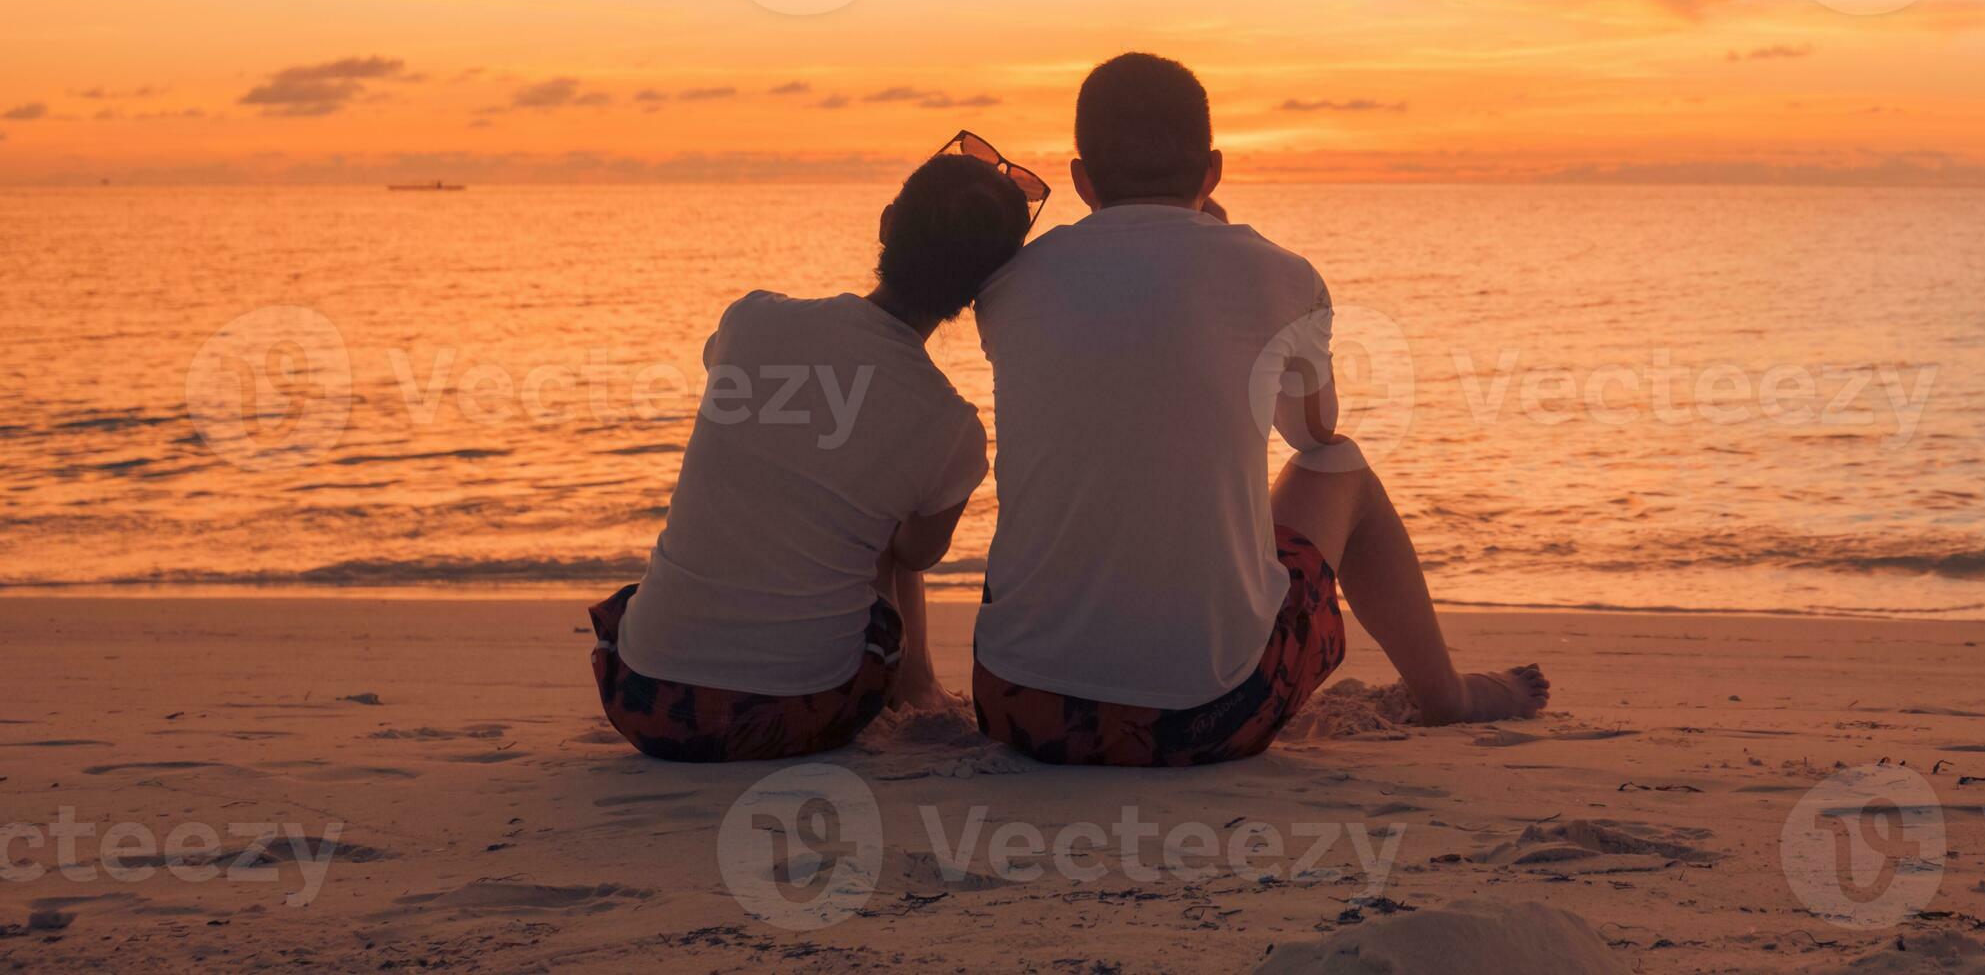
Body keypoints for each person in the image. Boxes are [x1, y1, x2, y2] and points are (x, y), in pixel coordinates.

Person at [967, 51, 1547, 766]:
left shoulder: (1008, 282)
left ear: (1082, 178)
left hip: (1020, 707)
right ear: (1212, 169)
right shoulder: (1281, 274)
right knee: (1345, 468)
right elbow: (1312, 432)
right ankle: (1447, 695)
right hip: (1210, 716)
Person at [588, 147, 1034, 761]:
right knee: (878, 516)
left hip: (642, 698)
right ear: (983, 288)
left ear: (886, 225)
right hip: (798, 713)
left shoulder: (751, 322)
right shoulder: (950, 427)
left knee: (805, 478)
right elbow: (914, 554)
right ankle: (919, 687)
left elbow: (731, 380)